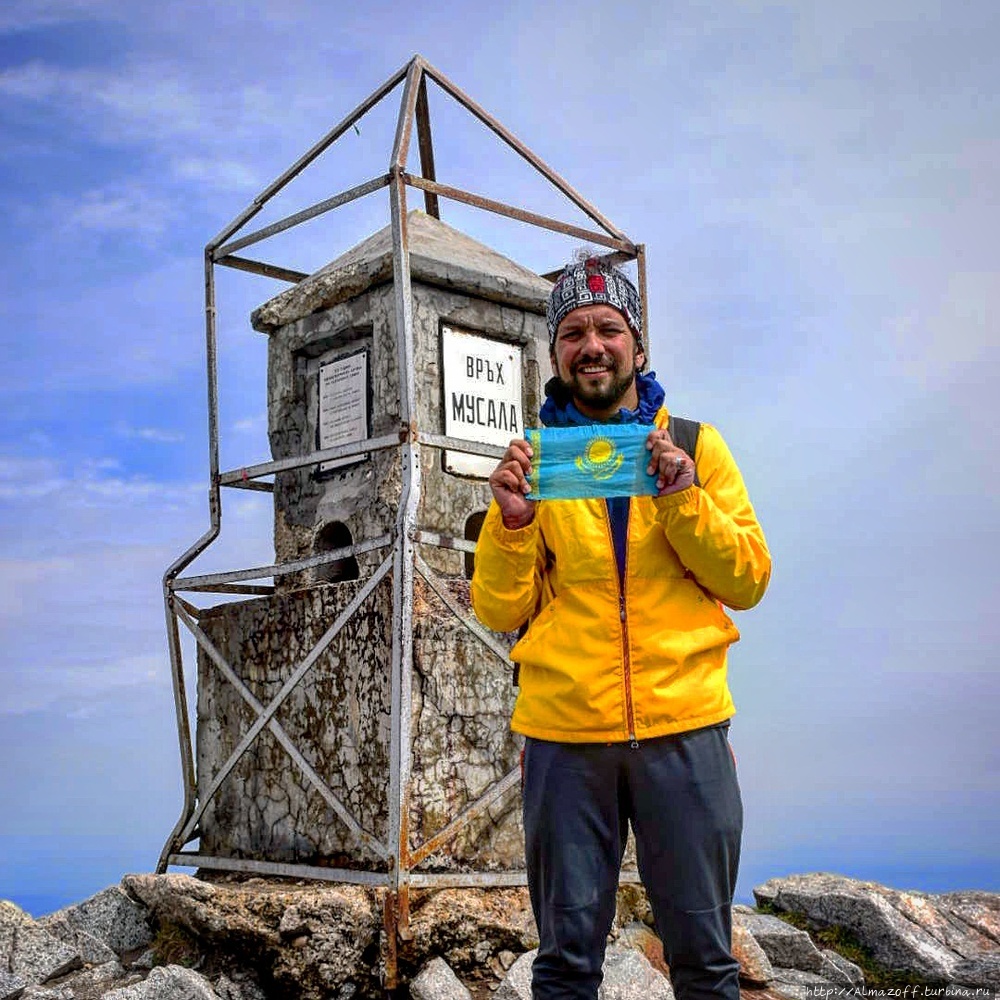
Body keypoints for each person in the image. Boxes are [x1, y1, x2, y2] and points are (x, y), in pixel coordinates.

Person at [470, 257, 771, 1000]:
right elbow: (499, 611)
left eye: (610, 328)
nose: (592, 345)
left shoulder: (698, 446)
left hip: (686, 730)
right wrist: (512, 525)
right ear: (554, 353)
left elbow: (748, 579)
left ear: (639, 347)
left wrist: (683, 498)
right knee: (567, 964)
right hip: (565, 742)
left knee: (704, 959)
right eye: (573, 332)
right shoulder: (535, 464)